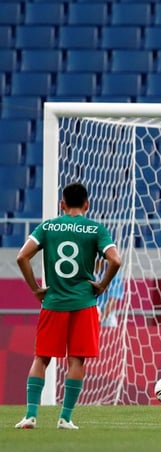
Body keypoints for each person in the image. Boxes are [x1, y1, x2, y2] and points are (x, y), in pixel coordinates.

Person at [15, 182, 122, 430]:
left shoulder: (48, 226)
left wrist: (35, 289)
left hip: (53, 302)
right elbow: (115, 260)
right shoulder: (96, 229)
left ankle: (30, 416)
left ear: (62, 205)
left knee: (41, 358)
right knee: (77, 360)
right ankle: (65, 418)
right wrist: (102, 285)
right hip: (84, 303)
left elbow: (22, 256)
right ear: (87, 204)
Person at [96, 261, 123, 327]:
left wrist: (100, 318)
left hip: (106, 316)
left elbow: (112, 300)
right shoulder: (86, 270)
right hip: (89, 312)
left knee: (111, 325)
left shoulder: (114, 271)